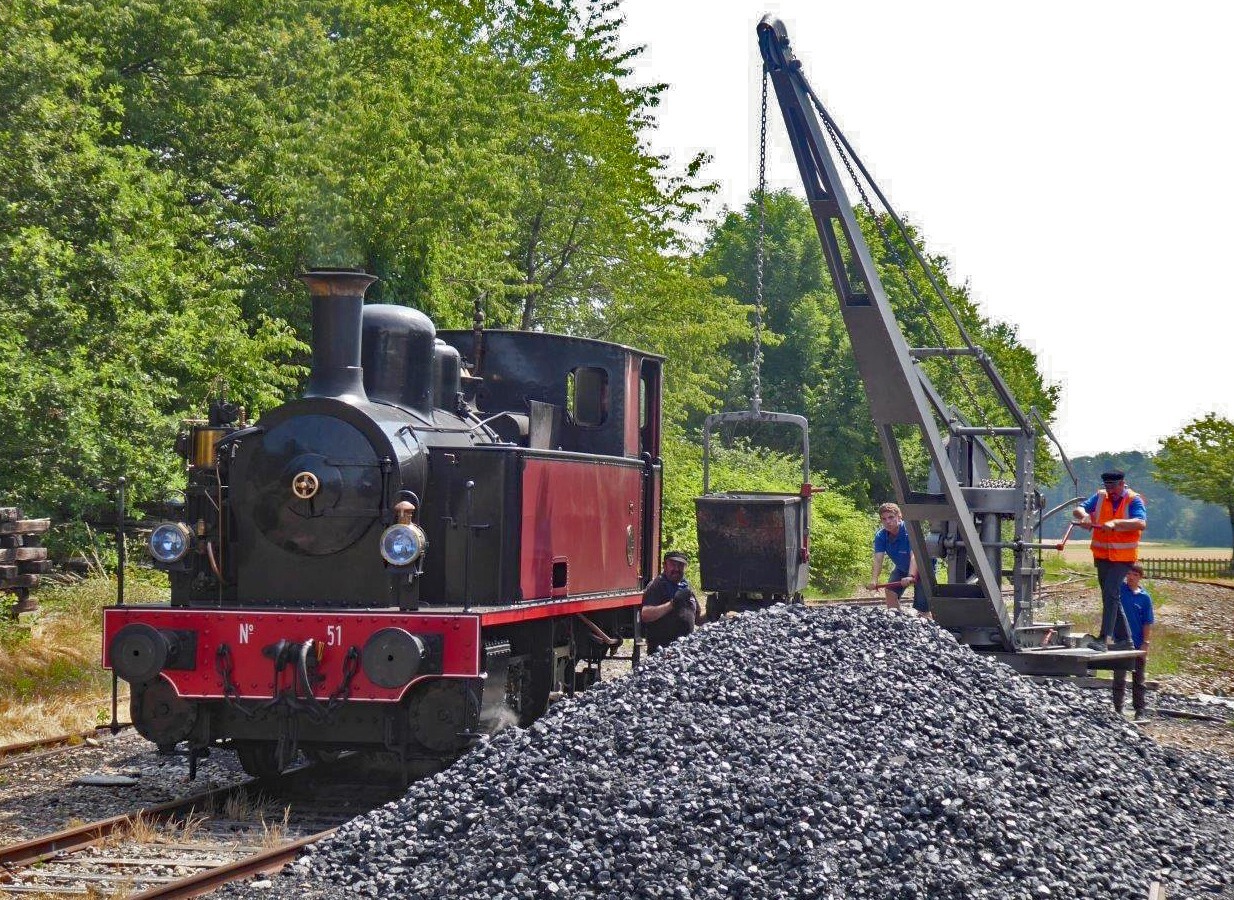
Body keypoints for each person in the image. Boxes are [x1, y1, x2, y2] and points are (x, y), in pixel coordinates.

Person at [1071, 470, 1146, 651]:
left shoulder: (1133, 500)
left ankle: (1104, 639)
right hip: (1102, 556)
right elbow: (1078, 509)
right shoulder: (1100, 496)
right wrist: (1085, 516)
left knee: (1111, 592)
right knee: (1110, 596)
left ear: (1122, 484)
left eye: (1113, 487)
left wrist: (1116, 523)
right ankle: (1126, 641)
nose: (1110, 491)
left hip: (1123, 558)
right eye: (1107, 486)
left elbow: (1140, 523)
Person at [867, 502, 926, 617]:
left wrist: (911, 576)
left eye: (891, 517)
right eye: (884, 519)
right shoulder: (881, 536)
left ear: (899, 516)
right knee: (890, 592)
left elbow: (915, 555)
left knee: (922, 608)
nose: (888, 522)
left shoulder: (910, 531)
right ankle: (897, 623)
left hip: (923, 568)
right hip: (902, 568)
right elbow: (878, 559)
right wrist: (874, 580)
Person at [1112, 563, 1154, 719]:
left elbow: (1148, 622)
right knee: (1119, 677)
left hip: (1137, 643)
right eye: (1128, 574)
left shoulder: (1144, 598)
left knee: (1139, 679)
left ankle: (1140, 710)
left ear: (1140, 577)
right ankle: (1118, 709)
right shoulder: (1120, 590)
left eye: (1135, 575)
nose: (1131, 577)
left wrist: (1146, 643)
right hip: (1120, 642)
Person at [640, 551, 700, 654]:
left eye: (680, 565)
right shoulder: (657, 585)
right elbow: (645, 615)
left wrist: (712, 614)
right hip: (661, 651)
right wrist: (672, 604)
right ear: (664, 566)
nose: (676, 569)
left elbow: (698, 620)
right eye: (673, 564)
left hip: (685, 651)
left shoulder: (686, 587)